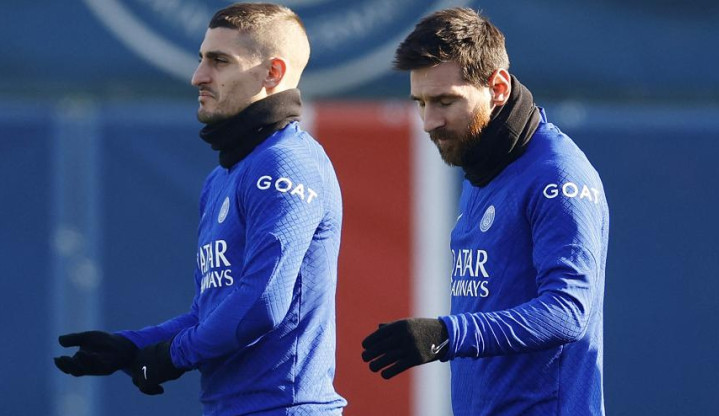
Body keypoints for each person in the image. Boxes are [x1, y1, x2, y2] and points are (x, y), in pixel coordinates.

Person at [54, 3, 347, 414]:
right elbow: (211, 310)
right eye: (201, 59)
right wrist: (132, 347)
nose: (198, 76)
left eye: (219, 61)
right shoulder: (224, 176)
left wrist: (168, 358)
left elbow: (261, 305)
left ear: (272, 74)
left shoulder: (284, 163)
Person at [361, 7, 609, 415]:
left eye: (444, 101)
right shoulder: (482, 163)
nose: (428, 121)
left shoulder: (558, 176)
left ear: (496, 87)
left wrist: (446, 333)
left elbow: (569, 311)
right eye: (420, 102)